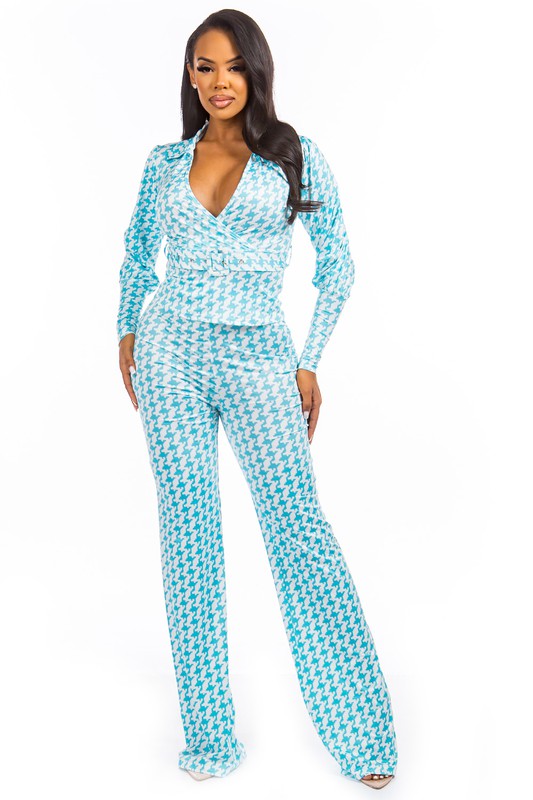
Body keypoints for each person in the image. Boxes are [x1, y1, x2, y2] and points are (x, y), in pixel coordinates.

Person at [116, 8, 398, 790]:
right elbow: (136, 254)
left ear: (256, 73)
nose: (218, 82)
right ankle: (209, 738)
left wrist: (307, 362)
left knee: (297, 529)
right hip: (169, 356)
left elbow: (336, 263)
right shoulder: (164, 163)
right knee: (189, 539)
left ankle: (361, 737)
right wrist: (126, 332)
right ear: (189, 75)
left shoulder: (292, 157)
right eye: (204, 66)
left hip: (259, 359)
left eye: (233, 67)